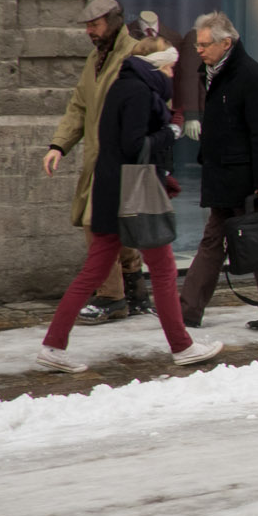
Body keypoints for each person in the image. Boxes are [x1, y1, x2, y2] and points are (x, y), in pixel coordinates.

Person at [36, 38, 224, 373]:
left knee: (92, 272)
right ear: (155, 65)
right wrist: (171, 130)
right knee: (164, 270)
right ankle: (182, 346)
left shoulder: (123, 85)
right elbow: (134, 144)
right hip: (134, 193)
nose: (171, 73)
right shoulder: (139, 92)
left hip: (112, 192)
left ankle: (53, 345)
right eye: (168, 66)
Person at [177, 12, 258, 331]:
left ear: (226, 43)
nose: (199, 50)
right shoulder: (215, 73)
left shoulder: (250, 75)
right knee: (215, 244)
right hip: (224, 178)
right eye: (198, 45)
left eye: (205, 45)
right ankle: (187, 311)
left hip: (246, 181)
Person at [43, 0, 148, 324]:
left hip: (125, 160)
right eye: (87, 25)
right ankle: (135, 290)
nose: (90, 31)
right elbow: (79, 106)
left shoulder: (135, 55)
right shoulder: (95, 59)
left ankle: (111, 297)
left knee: (98, 226)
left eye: (95, 24)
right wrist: (59, 145)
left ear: (114, 21)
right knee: (120, 226)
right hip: (99, 160)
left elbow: (153, 107)